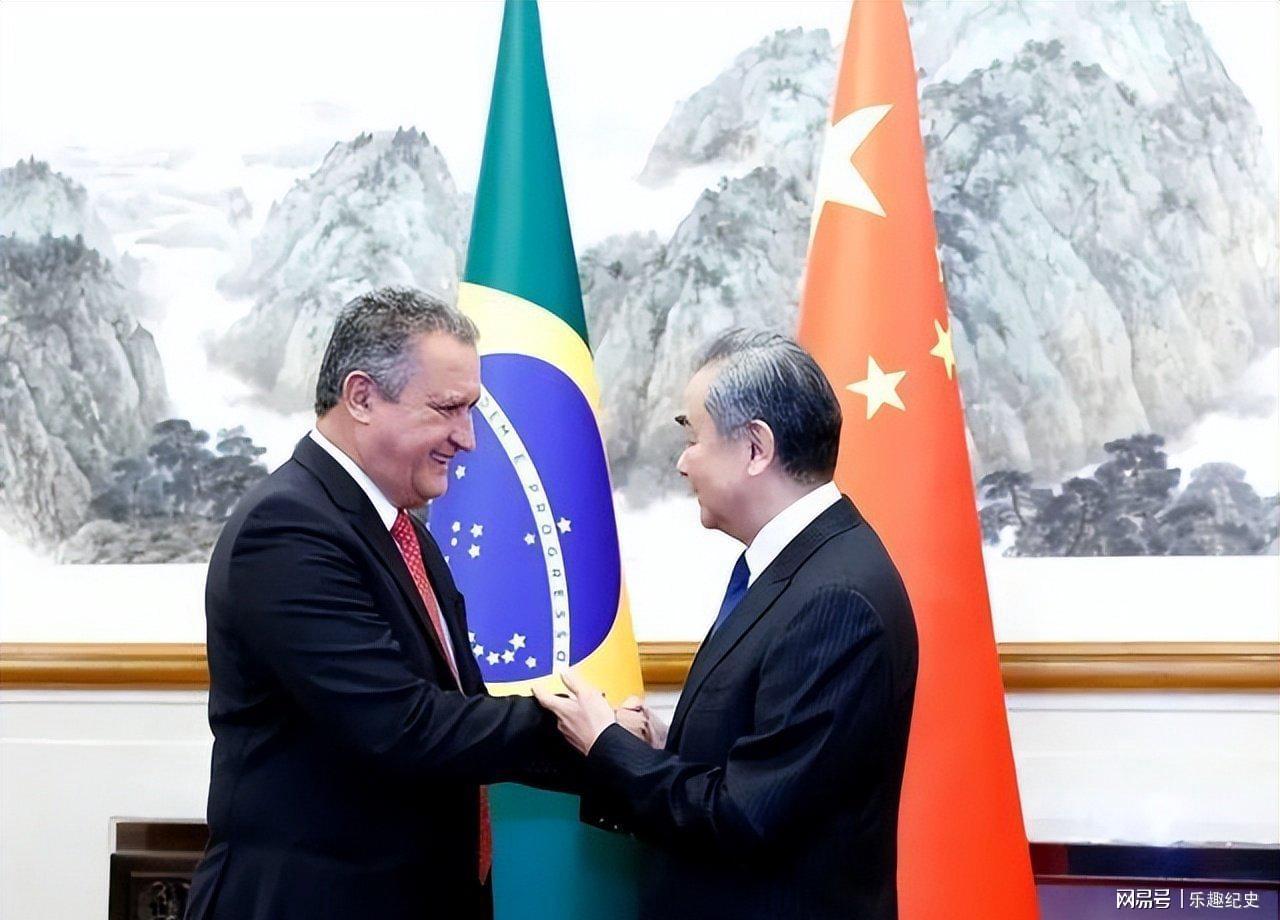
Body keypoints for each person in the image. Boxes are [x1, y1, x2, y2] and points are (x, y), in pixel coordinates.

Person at [186, 287, 573, 920]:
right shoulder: (286, 529)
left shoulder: (405, 531)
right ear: (362, 397)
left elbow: (460, 717)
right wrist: (586, 728)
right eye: (447, 409)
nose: (468, 439)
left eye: (471, 411)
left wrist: (614, 750)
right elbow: (403, 726)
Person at [535, 329, 919, 920]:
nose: (682, 462)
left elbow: (745, 817)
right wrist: (662, 747)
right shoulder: (798, 567)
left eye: (693, 436)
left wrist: (607, 747)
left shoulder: (834, 598)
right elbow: (767, 762)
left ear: (756, 447)